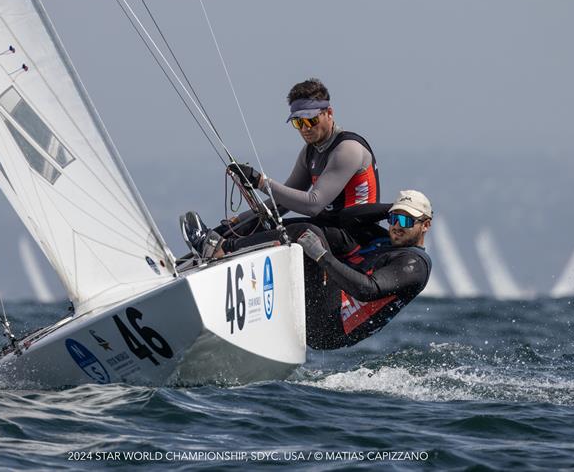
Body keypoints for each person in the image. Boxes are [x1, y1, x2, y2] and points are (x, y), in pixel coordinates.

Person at [185, 78, 380, 259]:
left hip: (356, 238)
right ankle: (207, 245)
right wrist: (239, 222)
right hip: (330, 231)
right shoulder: (309, 152)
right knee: (255, 224)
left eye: (310, 120)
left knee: (299, 230)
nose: (305, 128)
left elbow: (313, 205)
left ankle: (222, 250)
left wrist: (259, 181)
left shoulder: (347, 149)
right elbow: (282, 204)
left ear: (329, 113)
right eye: (298, 122)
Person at [295, 190, 433, 350]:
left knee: (309, 234)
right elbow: (345, 218)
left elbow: (367, 290)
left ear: (425, 225)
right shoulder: (387, 241)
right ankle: (262, 227)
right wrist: (395, 207)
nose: (396, 226)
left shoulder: (415, 264)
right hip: (329, 306)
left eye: (405, 221)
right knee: (333, 233)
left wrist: (322, 257)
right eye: (393, 218)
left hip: (330, 328)